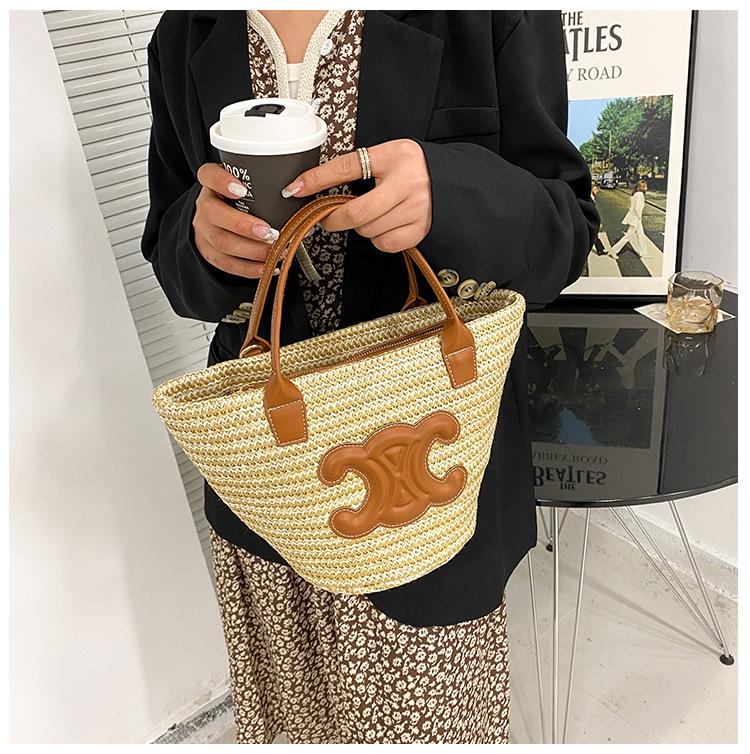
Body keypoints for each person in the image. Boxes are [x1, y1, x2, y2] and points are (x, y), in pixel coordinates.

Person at [142, 10, 598, 744]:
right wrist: (202, 246)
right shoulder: (188, 31)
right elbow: (171, 248)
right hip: (271, 484)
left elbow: (566, 230)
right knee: (293, 718)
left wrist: (450, 194)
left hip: (421, 476)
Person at [609, 179, 651, 260]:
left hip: (635, 218)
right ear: (642, 187)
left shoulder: (635, 194)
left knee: (641, 236)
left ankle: (644, 253)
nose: (647, 188)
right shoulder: (640, 194)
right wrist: (639, 217)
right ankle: (614, 251)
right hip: (636, 219)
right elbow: (637, 207)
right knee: (628, 236)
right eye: (645, 186)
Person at [590, 182, 607, 255]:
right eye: (595, 189)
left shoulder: (592, 197)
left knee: (593, 235)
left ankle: (600, 249)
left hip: (590, 220)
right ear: (591, 190)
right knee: (593, 234)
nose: (597, 191)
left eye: (597, 189)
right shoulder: (589, 199)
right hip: (589, 220)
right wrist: (597, 221)